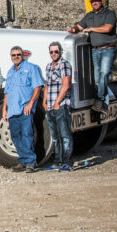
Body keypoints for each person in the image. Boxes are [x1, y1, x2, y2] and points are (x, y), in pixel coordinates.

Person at [67, 0, 117, 113]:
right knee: (96, 78)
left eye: (97, 0)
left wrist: (92, 29)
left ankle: (100, 100)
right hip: (95, 50)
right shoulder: (89, 16)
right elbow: (79, 26)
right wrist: (73, 29)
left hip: (107, 48)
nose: (95, 3)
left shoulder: (109, 14)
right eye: (92, 1)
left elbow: (108, 28)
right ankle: (103, 106)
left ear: (101, 1)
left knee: (104, 74)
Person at [2, 46, 44, 172]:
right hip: (13, 110)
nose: (16, 57)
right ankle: (23, 161)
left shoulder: (31, 68)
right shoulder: (10, 72)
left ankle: (30, 162)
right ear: (10, 57)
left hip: (25, 109)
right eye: (13, 55)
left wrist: (31, 103)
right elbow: (6, 92)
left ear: (23, 55)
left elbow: (38, 87)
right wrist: (4, 109)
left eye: (18, 54)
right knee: (15, 136)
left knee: (27, 135)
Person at [43, 41, 74, 172]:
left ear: (60, 51)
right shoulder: (49, 66)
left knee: (65, 135)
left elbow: (66, 85)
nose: (53, 54)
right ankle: (57, 162)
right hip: (50, 107)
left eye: (56, 51)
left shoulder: (64, 65)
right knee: (55, 137)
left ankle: (67, 162)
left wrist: (57, 102)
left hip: (61, 106)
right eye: (51, 52)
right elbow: (47, 86)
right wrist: (44, 102)